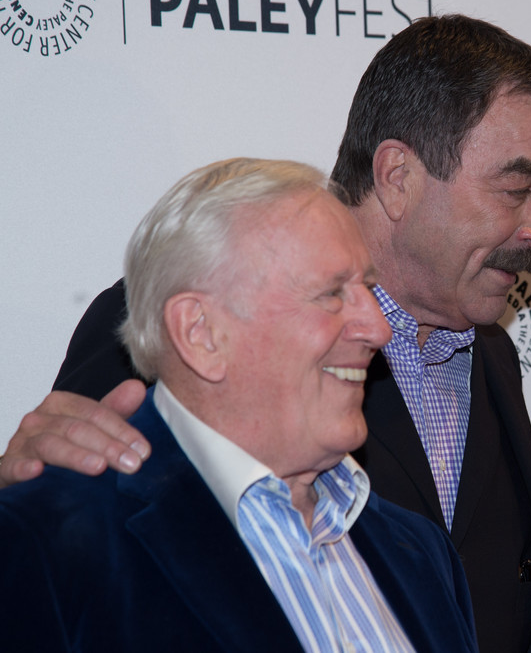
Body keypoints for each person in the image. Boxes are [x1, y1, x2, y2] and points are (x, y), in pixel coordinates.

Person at [1, 15, 531, 652]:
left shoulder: (487, 348)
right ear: (396, 175)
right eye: (517, 188)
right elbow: (79, 522)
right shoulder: (194, 309)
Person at [0, 158, 478, 652]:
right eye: (332, 293)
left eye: (370, 289)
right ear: (201, 333)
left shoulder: (421, 554)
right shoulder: (46, 543)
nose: (379, 329)